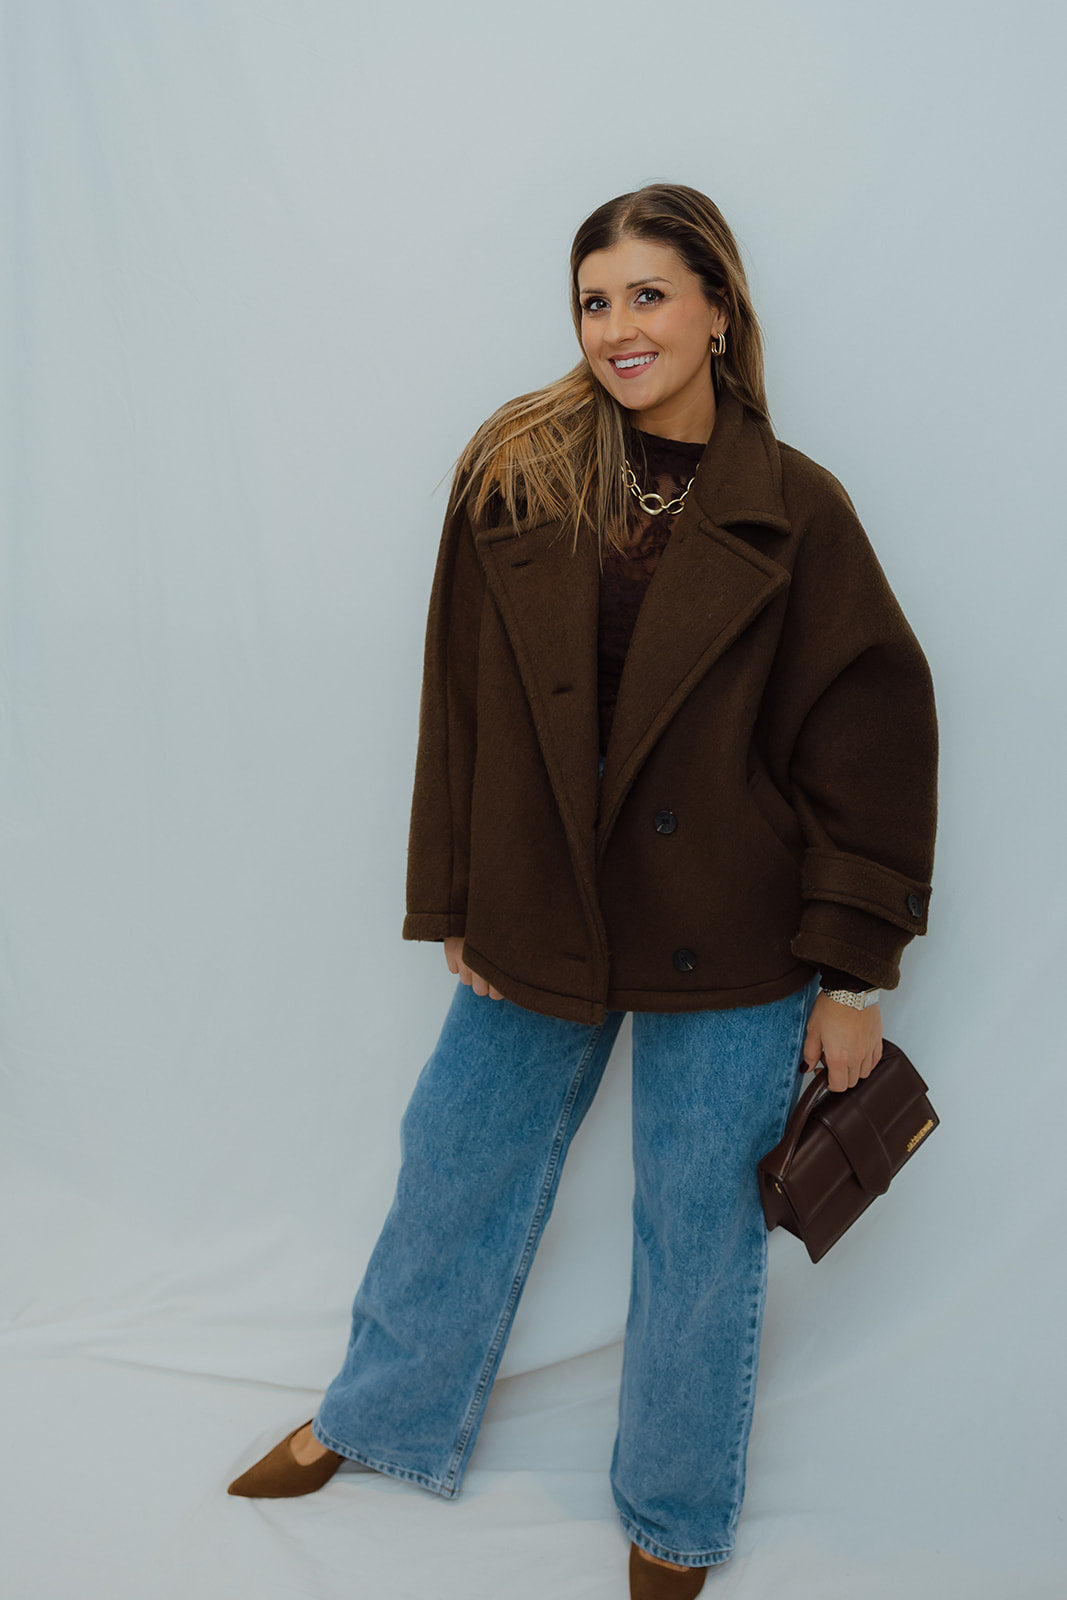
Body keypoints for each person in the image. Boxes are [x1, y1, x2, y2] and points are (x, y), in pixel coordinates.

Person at [226, 184, 938, 1599]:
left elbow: (873, 738)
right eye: (594, 300)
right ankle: (378, 1413)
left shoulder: (798, 508)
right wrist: (459, 899)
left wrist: (855, 978)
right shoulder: (519, 471)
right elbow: (458, 704)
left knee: (698, 1221)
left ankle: (674, 1510)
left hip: (731, 917)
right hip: (545, 898)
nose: (618, 327)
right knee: (456, 1153)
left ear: (718, 311)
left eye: (649, 294)